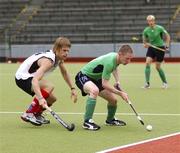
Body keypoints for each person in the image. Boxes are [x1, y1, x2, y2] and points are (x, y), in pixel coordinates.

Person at [15, 37, 77, 126]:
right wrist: (40, 98)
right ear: (57, 49)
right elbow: (35, 80)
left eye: (68, 51)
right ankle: (29, 113)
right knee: (49, 86)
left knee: (52, 99)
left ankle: (36, 114)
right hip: (23, 78)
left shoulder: (58, 58)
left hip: (31, 77)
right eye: (64, 50)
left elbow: (64, 72)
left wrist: (72, 88)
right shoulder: (48, 61)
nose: (66, 53)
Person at [75, 45, 134, 131]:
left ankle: (110, 120)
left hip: (96, 79)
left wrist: (117, 82)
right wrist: (120, 93)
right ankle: (87, 121)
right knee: (94, 90)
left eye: (130, 59)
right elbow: (105, 84)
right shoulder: (110, 61)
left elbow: (115, 68)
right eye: (127, 58)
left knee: (113, 100)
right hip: (83, 76)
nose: (129, 61)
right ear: (120, 54)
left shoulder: (116, 58)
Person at [142, 15, 170, 89]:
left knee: (157, 67)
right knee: (147, 63)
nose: (150, 22)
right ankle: (147, 83)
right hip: (151, 48)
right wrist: (145, 44)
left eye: (151, 20)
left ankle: (165, 82)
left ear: (154, 21)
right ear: (147, 22)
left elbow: (168, 36)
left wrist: (167, 46)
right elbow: (144, 42)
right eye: (149, 21)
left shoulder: (160, 28)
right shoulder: (146, 30)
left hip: (160, 48)